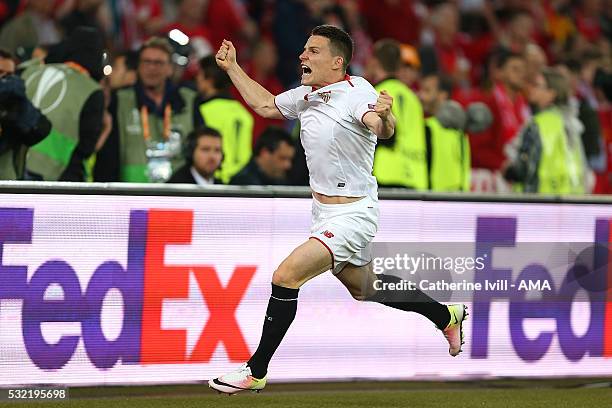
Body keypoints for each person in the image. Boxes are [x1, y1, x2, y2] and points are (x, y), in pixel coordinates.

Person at [209, 24, 467, 395]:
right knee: (366, 288)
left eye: (312, 51)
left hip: (353, 215)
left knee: (286, 276)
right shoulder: (308, 96)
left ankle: (255, 370)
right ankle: (446, 315)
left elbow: (380, 127)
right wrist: (233, 68)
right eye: (303, 49)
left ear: (337, 61)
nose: (302, 56)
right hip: (324, 212)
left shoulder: (356, 90)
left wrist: (387, 115)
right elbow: (265, 104)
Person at [93, 37, 201, 183]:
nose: (152, 68)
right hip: (133, 194)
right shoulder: (120, 100)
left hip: (179, 193)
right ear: (138, 67)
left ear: (170, 68)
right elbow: (108, 156)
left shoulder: (189, 101)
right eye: (146, 62)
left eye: (158, 63)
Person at [23, 26, 105, 181]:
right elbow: (86, 147)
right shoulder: (91, 90)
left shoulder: (30, 71)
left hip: (14, 170)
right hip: (58, 177)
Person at [504, 68, 588, 194]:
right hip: (571, 199)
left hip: (539, 200)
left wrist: (508, 171)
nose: (532, 89)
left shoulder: (538, 124)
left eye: (537, 86)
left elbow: (524, 169)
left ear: (551, 93)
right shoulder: (572, 124)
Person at [365, 39, 427, 189]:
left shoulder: (377, 93)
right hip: (416, 177)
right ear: (399, 65)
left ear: (374, 62)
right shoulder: (413, 98)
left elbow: (384, 136)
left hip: (386, 173)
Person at [196, 55, 253, 184]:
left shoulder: (203, 110)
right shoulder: (244, 113)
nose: (196, 80)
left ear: (209, 80)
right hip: (241, 181)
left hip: (213, 179)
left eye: (199, 75)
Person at [0, 48, 51, 179]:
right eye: (0, 73)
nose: (5, 80)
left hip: (8, 189)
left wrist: (20, 104)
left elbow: (41, 130)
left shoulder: (14, 107)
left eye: (9, 75)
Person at [420, 73, 471, 192]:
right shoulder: (461, 130)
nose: (421, 96)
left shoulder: (427, 128)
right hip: (454, 200)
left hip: (435, 200)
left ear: (442, 95)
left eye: (427, 91)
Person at [230, 126, 295, 185]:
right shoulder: (242, 183)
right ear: (265, 153)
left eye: (290, 159)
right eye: (282, 158)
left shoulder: (281, 181)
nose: (288, 165)